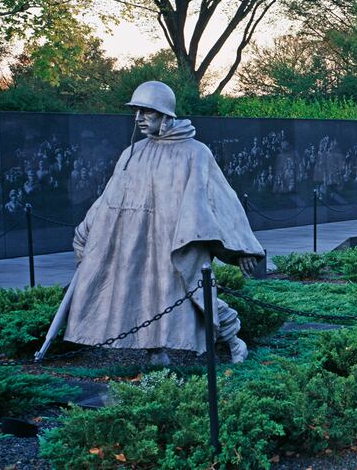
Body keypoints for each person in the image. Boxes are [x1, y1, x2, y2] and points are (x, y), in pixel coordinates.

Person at [63, 81, 264, 365]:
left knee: (196, 294)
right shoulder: (133, 153)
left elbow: (221, 198)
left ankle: (232, 338)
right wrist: (85, 232)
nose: (139, 119)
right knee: (144, 294)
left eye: (147, 112)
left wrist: (244, 247)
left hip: (181, 241)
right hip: (140, 241)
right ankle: (155, 352)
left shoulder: (195, 153)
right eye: (137, 112)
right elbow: (110, 198)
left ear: (166, 115)